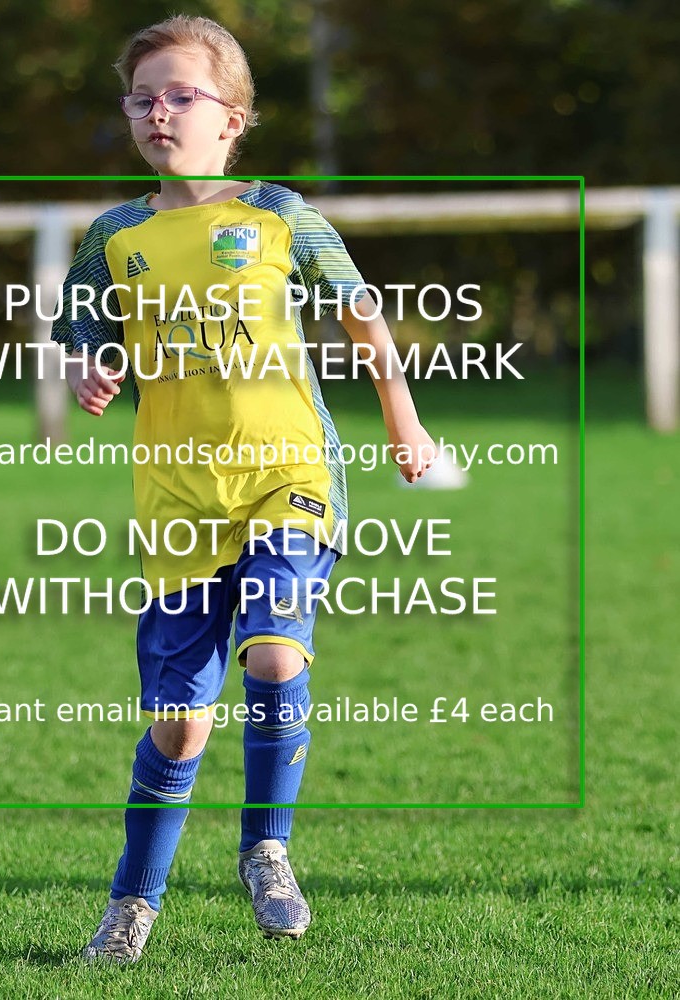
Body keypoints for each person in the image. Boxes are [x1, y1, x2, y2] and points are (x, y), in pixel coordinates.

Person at [51, 14, 436, 965]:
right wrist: (90, 371)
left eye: (181, 94)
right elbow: (79, 337)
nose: (158, 111)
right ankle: (131, 905)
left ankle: (266, 847)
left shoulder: (279, 213)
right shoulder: (113, 236)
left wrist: (403, 420)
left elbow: (362, 314)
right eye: (142, 98)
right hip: (178, 499)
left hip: (288, 474)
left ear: (233, 118)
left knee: (272, 655)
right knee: (179, 726)